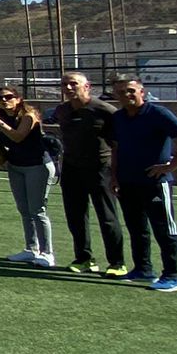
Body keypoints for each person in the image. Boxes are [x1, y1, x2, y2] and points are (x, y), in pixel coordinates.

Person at [106, 77, 177, 293]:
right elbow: (116, 149)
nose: (126, 95)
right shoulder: (118, 118)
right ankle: (143, 269)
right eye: (120, 92)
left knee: (164, 228)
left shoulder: (157, 113)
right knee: (137, 228)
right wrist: (115, 176)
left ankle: (172, 276)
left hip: (155, 183)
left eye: (130, 91)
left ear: (141, 92)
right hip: (128, 182)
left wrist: (171, 165)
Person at [52, 72, 126, 276]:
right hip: (72, 168)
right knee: (75, 216)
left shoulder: (105, 110)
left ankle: (117, 262)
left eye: (73, 84)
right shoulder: (62, 110)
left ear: (87, 86)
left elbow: (118, 144)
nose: (68, 88)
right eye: (64, 84)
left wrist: (116, 173)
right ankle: (84, 258)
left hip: (100, 169)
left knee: (107, 216)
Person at [0, 87, 55, 268]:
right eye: (0, 98)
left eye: (8, 97)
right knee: (24, 209)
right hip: (16, 166)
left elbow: (18, 137)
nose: (4, 100)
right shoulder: (4, 117)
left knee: (37, 210)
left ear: (18, 99)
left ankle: (47, 253)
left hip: (37, 166)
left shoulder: (28, 116)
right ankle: (31, 248)